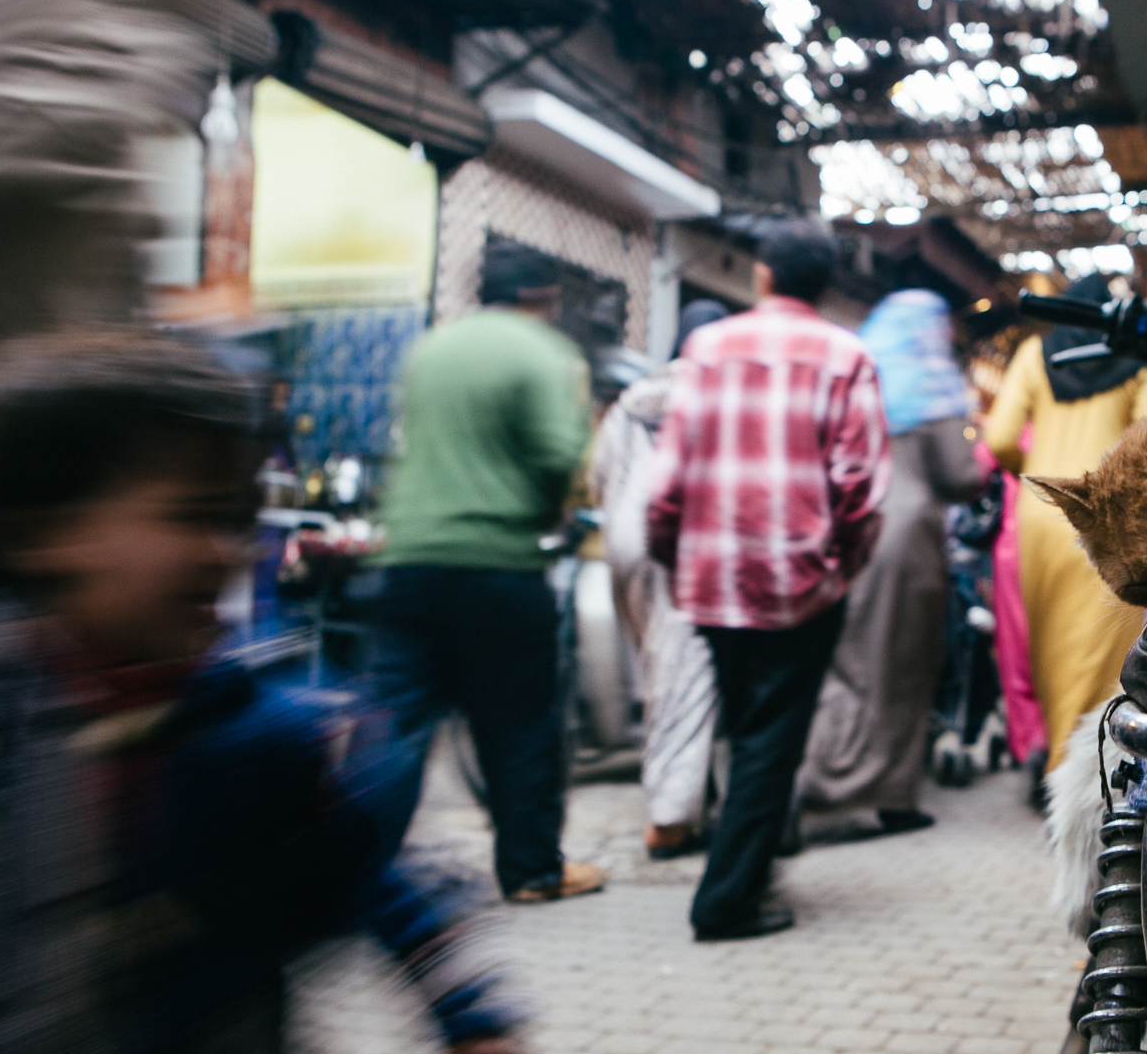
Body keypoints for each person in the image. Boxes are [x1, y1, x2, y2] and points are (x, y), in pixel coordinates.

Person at [0, 326, 551, 1054]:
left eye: (239, 517)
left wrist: (469, 1016)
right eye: (192, 517)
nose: (233, 550)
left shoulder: (257, 734)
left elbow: (367, 874)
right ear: (52, 531)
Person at [647, 219, 890, 941]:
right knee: (768, 741)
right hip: (801, 580)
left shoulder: (706, 347)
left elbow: (668, 477)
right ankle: (726, 900)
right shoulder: (846, 354)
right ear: (825, 285)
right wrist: (840, 565)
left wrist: (671, 556)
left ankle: (744, 874)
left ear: (761, 275)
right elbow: (861, 487)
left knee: (743, 728)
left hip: (714, 575)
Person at [369, 240, 605, 903]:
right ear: (545, 299)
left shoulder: (431, 350)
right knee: (519, 726)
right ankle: (531, 870)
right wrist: (544, 514)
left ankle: (354, 863)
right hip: (497, 564)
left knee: (397, 727)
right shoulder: (545, 352)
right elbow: (560, 453)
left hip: (409, 561)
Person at [797, 289, 986, 834]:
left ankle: (815, 772)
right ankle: (893, 797)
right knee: (902, 667)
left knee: (843, 661)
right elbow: (960, 477)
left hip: (838, 530)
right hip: (903, 544)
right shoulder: (930, 387)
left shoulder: (852, 376)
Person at [981, 274, 1147, 772]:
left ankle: (1059, 763)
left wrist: (1034, 470)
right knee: (1105, 655)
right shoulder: (1137, 357)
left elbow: (998, 439)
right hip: (1110, 517)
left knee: (1051, 650)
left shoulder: (1036, 355)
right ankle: (1097, 777)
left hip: (1042, 515)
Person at [591, 299, 730, 861]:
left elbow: (601, 470)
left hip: (626, 541)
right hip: (681, 540)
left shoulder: (634, 398)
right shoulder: (717, 394)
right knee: (686, 677)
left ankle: (690, 796)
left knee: (658, 672)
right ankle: (670, 820)